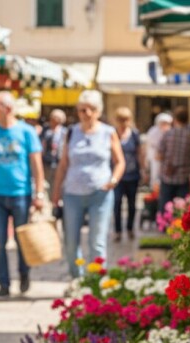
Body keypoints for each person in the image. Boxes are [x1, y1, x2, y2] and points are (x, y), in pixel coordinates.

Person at [0, 91, 46, 300]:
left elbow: (37, 165)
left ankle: (24, 273)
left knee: (23, 240)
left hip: (21, 194)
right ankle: (3, 284)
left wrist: (39, 193)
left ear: (8, 109)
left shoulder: (26, 132)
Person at [51, 90, 125, 278]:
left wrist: (113, 181)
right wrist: (56, 193)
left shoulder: (108, 132)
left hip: (99, 193)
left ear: (98, 111)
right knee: (70, 241)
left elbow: (120, 161)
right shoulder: (71, 132)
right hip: (72, 193)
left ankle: (98, 283)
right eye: (83, 110)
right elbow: (63, 165)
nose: (87, 113)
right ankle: (77, 278)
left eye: (91, 109)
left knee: (97, 241)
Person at [112, 107, 145, 242]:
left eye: (125, 119)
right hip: (116, 176)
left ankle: (130, 228)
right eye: (120, 119)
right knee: (117, 203)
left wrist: (143, 170)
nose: (123, 122)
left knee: (132, 204)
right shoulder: (112, 134)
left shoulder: (134, 134)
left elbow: (140, 153)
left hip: (132, 174)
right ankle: (118, 231)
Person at [158, 107, 190, 212]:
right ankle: (177, 226)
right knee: (181, 208)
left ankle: (164, 226)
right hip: (184, 176)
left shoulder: (168, 134)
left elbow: (159, 155)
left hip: (167, 174)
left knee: (165, 206)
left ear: (175, 119)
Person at [40, 109, 67, 198]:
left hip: (59, 161)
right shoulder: (45, 130)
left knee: (58, 183)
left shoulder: (64, 131)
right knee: (46, 184)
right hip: (46, 162)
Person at [145, 113, 172, 189]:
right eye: (163, 123)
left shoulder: (170, 131)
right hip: (155, 157)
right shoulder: (153, 131)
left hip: (167, 157)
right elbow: (152, 145)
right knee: (155, 174)